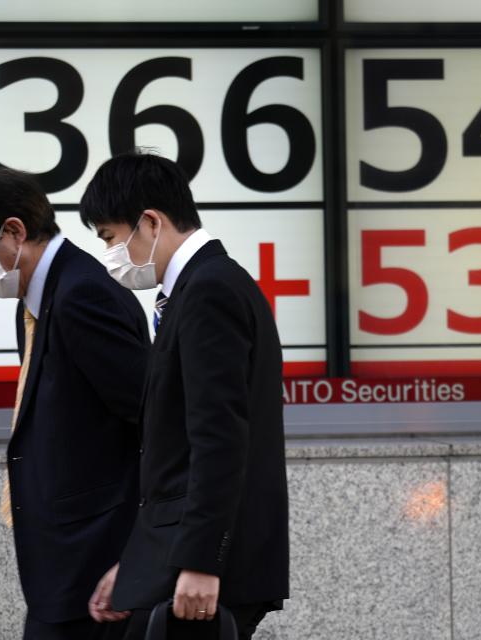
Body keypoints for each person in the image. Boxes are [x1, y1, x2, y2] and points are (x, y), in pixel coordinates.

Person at [79, 151, 288, 640]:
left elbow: (219, 439)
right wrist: (137, 565)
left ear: (150, 222)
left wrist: (200, 562)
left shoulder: (209, 291)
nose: (109, 254)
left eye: (110, 237)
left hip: (205, 573)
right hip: (182, 559)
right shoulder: (200, 288)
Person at [0, 168, 150, 639]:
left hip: (96, 563)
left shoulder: (82, 294)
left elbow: (151, 418)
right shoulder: (38, 298)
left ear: (13, 232)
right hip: (64, 563)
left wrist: (137, 557)